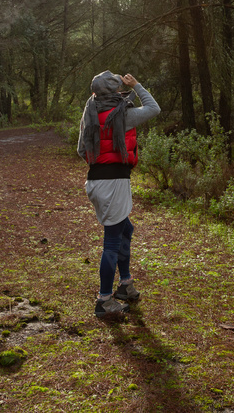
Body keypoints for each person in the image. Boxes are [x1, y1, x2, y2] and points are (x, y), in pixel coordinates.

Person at [77, 70, 160, 318]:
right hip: (113, 184)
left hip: (97, 181)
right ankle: (104, 301)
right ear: (115, 91)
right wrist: (137, 84)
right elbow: (153, 108)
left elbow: (82, 150)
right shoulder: (122, 115)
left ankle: (125, 285)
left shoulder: (90, 113)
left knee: (126, 230)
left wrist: (102, 164)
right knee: (112, 243)